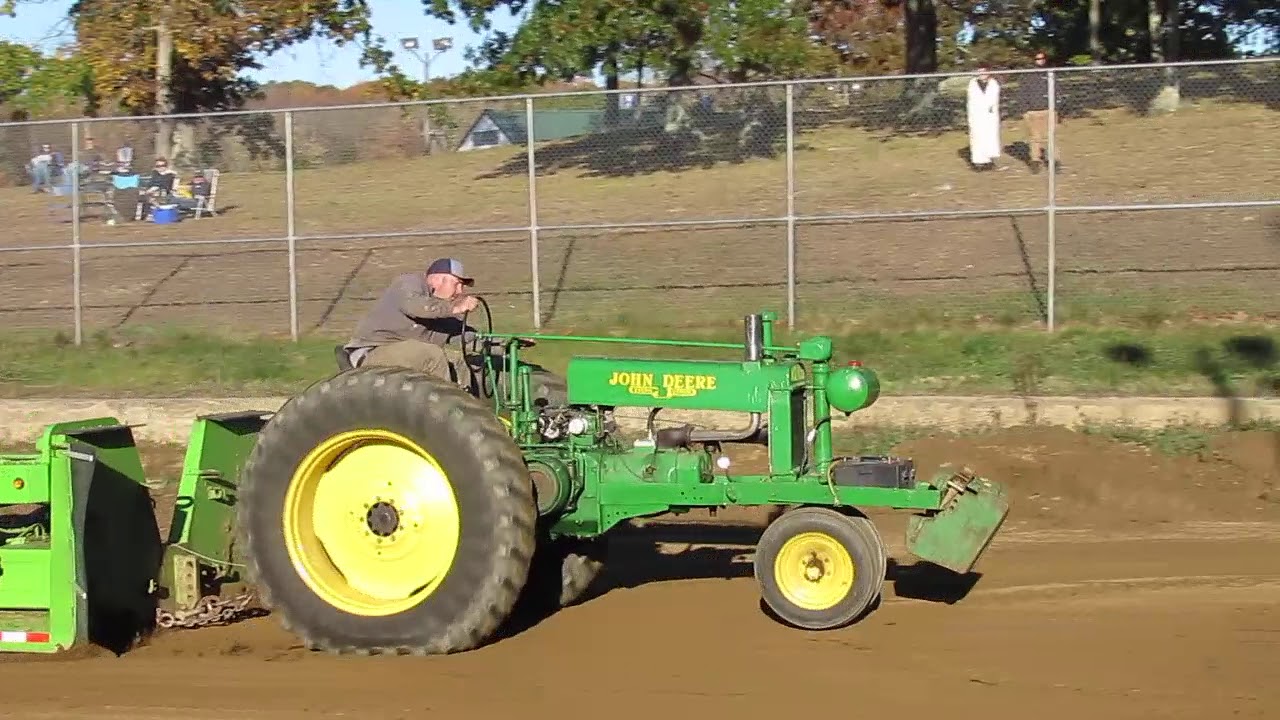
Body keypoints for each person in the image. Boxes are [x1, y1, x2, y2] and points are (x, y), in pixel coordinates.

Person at [343, 258, 481, 383]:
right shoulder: (409, 282)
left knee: (460, 361)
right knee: (432, 355)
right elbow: (415, 307)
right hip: (372, 351)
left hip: (405, 351)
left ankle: (466, 407)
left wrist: (496, 346)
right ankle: (440, 408)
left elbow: (464, 336)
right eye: (457, 284)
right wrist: (456, 307)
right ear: (438, 279)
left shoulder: (441, 310)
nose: (460, 291)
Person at [1017, 51, 1061, 173]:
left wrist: (1057, 108)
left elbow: (1057, 91)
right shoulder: (1027, 75)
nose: (1040, 61)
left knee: (1051, 136)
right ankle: (1035, 160)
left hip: (1049, 110)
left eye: (1042, 58)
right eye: (1037, 59)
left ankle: (1054, 160)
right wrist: (1024, 111)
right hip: (1033, 112)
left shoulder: (1050, 74)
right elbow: (1022, 93)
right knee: (1035, 137)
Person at [965, 65, 1001, 170]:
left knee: (989, 137)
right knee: (977, 137)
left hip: (989, 115)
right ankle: (978, 162)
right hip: (977, 115)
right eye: (979, 72)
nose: (982, 74)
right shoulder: (973, 84)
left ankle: (988, 160)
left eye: (984, 72)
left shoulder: (993, 84)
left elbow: (993, 98)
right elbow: (972, 100)